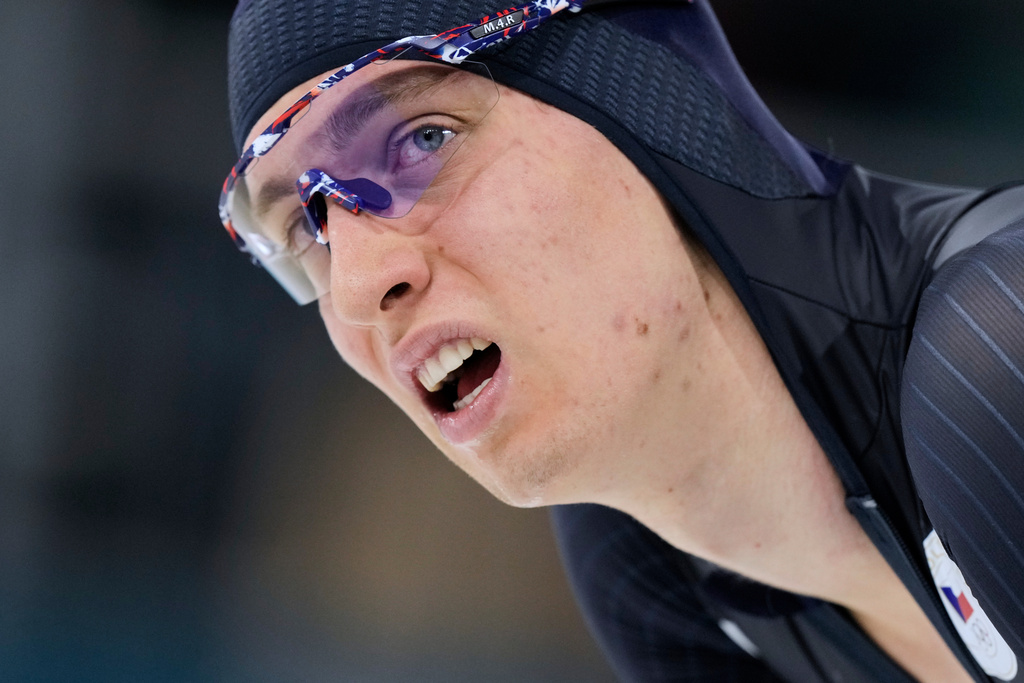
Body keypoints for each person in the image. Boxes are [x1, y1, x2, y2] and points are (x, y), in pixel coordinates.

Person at [218, 1, 1024, 680]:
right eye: (304, 224)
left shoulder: (998, 357)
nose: (358, 285)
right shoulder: (647, 566)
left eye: (423, 139)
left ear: (644, 101)